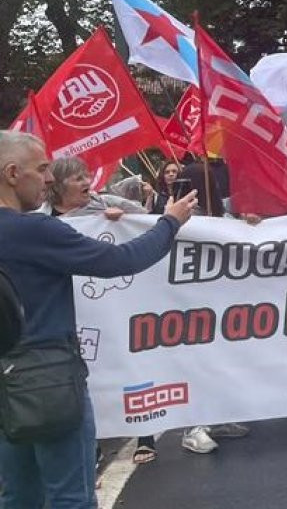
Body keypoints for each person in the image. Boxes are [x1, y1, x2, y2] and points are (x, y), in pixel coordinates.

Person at [0, 130, 197, 508]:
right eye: (41, 169)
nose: (48, 179)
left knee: (19, 496)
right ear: (12, 173)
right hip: (50, 378)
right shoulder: (34, 230)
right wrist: (170, 222)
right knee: (70, 497)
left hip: (6, 382)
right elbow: (120, 261)